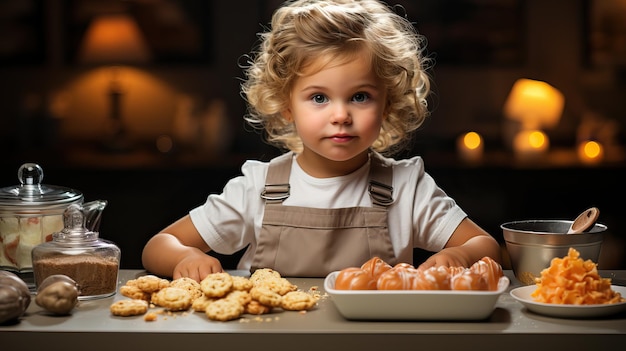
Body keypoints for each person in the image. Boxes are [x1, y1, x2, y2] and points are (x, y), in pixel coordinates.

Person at [142, 0, 501, 282]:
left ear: (387, 103)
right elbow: (158, 247)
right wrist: (186, 257)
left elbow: (487, 247)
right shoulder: (259, 188)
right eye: (319, 98)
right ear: (286, 106)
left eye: (360, 96)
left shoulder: (407, 188)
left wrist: (460, 256)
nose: (341, 115)